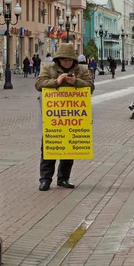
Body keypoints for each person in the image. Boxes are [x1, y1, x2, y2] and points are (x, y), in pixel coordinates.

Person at [35, 43, 94, 191]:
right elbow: (39, 84)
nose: (67, 62)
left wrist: (76, 82)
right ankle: (45, 179)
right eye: (64, 60)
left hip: (73, 116)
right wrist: (56, 82)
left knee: (69, 149)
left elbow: (90, 86)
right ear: (58, 59)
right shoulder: (49, 68)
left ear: (74, 60)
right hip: (54, 117)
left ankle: (63, 179)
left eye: (69, 60)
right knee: (49, 147)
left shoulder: (82, 70)